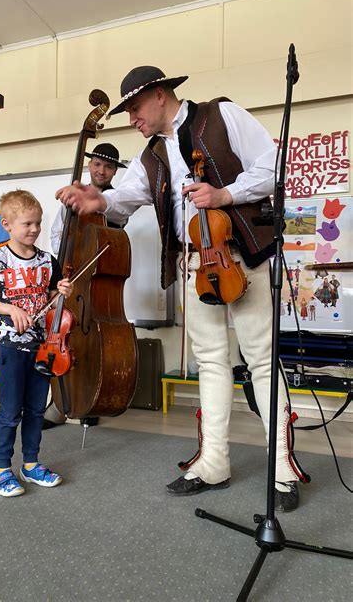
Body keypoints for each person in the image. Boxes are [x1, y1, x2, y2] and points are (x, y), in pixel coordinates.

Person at [56, 65, 308, 512]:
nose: (131, 118)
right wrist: (98, 200)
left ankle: (283, 467)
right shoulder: (149, 156)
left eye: (134, 108)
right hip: (194, 264)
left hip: (240, 255)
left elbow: (274, 166)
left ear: (158, 95)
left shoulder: (221, 115)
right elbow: (124, 197)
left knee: (262, 360)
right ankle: (214, 461)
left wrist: (226, 195)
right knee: (209, 362)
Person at [0, 190, 73, 497]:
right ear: (7, 224)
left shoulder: (48, 261)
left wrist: (61, 291)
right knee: (10, 412)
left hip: (43, 349)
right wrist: (10, 309)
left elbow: (52, 301)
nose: (34, 229)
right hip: (10, 348)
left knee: (35, 411)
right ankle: (2, 470)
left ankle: (30, 465)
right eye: (27, 224)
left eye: (38, 223)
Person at [43, 143, 127, 430]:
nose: (101, 170)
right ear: (89, 166)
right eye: (97, 164)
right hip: (72, 276)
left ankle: (90, 398)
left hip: (98, 282)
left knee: (94, 344)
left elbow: (113, 229)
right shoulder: (72, 198)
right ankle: (59, 403)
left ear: (115, 170)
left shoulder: (118, 200)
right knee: (65, 336)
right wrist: (68, 255)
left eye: (108, 166)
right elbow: (57, 233)